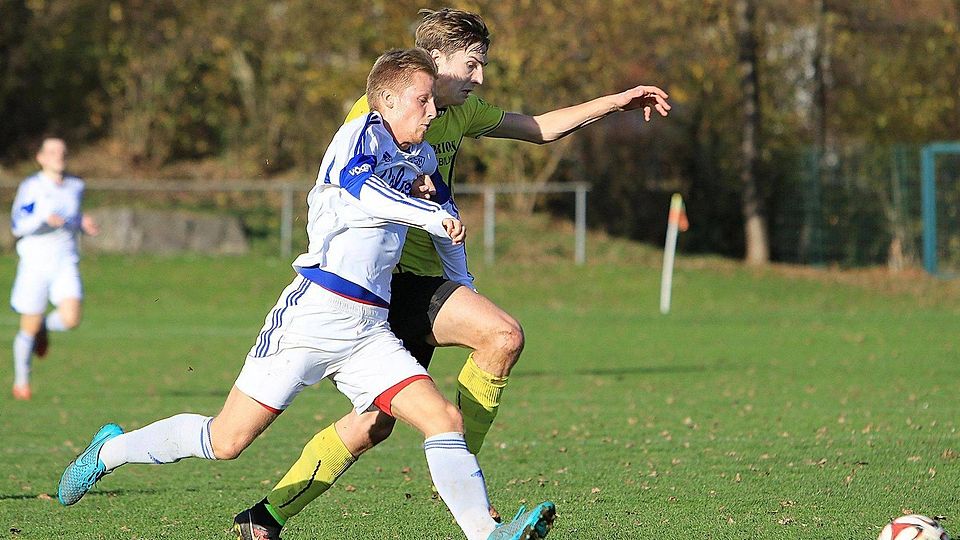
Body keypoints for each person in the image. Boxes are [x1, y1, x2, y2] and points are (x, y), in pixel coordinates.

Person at [56, 48, 555, 540]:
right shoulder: (358, 136)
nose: (432, 111)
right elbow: (361, 190)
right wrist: (426, 213)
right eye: (422, 101)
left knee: (442, 419)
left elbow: (450, 227)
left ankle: (486, 533)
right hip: (312, 315)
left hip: (369, 331)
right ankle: (110, 452)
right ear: (387, 100)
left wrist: (460, 275)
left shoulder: (421, 156)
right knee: (226, 441)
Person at [232, 8, 671, 539]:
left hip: (424, 279)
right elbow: (345, 185)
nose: (480, 77)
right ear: (435, 63)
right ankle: (285, 512)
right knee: (408, 400)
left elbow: (538, 128)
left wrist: (615, 101)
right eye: (472, 64)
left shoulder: (459, 112)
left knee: (450, 373)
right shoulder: (372, 117)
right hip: (378, 286)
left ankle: (280, 514)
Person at [10, 137, 99, 400]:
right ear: (41, 158)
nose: (59, 155)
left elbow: (72, 215)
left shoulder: (75, 186)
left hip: (65, 260)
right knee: (28, 323)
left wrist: (83, 223)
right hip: (35, 261)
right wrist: (42, 219)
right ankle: (22, 382)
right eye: (52, 152)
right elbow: (19, 224)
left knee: (71, 319)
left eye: (62, 151)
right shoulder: (32, 187)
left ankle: (44, 328)